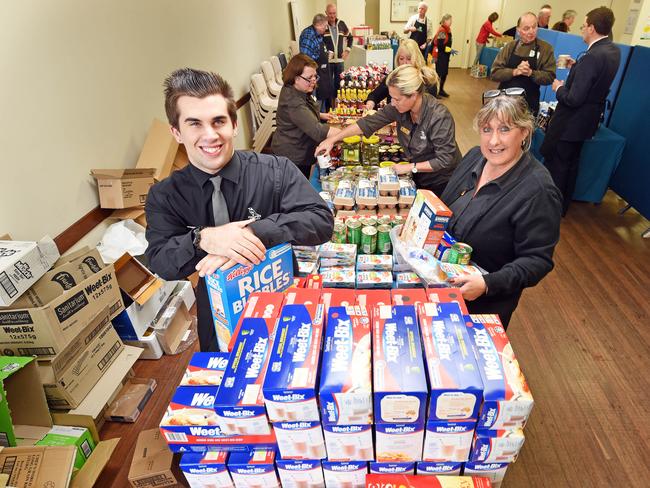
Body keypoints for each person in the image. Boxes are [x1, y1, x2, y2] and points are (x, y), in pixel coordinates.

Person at [145, 68, 334, 352]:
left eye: (218, 121)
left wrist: (255, 231)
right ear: (177, 133)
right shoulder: (165, 196)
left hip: (283, 300)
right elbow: (160, 262)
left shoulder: (276, 170)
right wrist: (203, 239)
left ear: (234, 124)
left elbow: (321, 221)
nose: (210, 136)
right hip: (217, 314)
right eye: (194, 124)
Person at [440, 93, 562, 327]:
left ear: (525, 132)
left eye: (504, 129)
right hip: (444, 286)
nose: (494, 141)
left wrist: (487, 284)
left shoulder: (538, 190)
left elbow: (537, 260)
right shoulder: (475, 156)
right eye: (487, 129)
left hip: (482, 306)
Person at [316, 64, 461, 197]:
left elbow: (444, 159)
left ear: (414, 94)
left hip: (443, 182)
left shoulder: (439, 117)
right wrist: (332, 139)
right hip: (418, 176)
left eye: (397, 99)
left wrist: (410, 167)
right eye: (391, 98)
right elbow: (367, 123)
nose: (393, 103)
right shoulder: (398, 108)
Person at [541, 7, 620, 216]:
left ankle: (550, 209)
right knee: (571, 165)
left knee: (558, 166)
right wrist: (578, 68)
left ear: (592, 28)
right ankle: (562, 207)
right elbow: (596, 82)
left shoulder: (592, 57)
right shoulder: (612, 51)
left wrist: (558, 88)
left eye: (584, 26)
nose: (582, 30)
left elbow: (573, 98)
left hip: (570, 122)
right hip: (587, 123)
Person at [271, 54, 340, 179]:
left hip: (298, 148)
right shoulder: (293, 101)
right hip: (293, 155)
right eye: (309, 78)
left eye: (315, 76)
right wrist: (346, 133)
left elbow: (302, 114)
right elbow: (318, 131)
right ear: (296, 78)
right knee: (296, 188)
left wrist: (321, 115)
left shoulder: (295, 89)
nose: (313, 80)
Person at [490, 12, 555, 115]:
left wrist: (530, 73)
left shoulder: (545, 49)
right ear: (518, 30)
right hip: (505, 103)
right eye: (526, 28)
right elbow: (494, 73)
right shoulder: (510, 47)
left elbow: (550, 76)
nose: (531, 31)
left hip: (529, 105)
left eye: (534, 27)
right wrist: (515, 71)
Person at [365, 39, 438, 111]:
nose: (404, 63)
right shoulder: (393, 77)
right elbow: (375, 95)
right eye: (401, 59)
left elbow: (429, 110)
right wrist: (370, 103)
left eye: (409, 59)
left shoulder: (427, 79)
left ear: (417, 59)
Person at [323, 4, 353, 111]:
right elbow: (318, 40)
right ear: (326, 13)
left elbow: (350, 38)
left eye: (334, 13)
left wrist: (347, 51)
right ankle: (328, 109)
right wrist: (324, 52)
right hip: (328, 61)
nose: (332, 16)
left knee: (339, 85)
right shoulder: (323, 25)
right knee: (328, 85)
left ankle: (337, 108)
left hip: (340, 61)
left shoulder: (341, 24)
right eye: (330, 13)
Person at [299, 14, 331, 111]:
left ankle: (323, 122)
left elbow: (318, 52)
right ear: (319, 25)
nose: (326, 28)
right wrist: (313, 77)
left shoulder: (318, 34)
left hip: (321, 73)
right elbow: (305, 59)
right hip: (314, 75)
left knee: (322, 101)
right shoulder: (308, 36)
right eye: (325, 26)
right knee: (315, 104)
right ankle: (317, 123)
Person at [433, 14, 453, 98]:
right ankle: (435, 92)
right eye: (450, 20)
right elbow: (440, 46)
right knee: (439, 74)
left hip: (445, 55)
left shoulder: (447, 30)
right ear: (445, 21)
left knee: (444, 74)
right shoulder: (442, 31)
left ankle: (441, 90)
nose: (451, 22)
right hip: (440, 55)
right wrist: (449, 50)